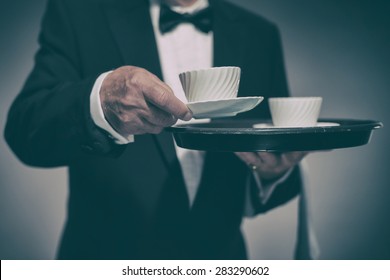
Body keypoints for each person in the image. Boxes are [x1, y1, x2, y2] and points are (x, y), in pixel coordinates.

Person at [4, 0, 308, 259]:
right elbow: (25, 131)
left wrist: (270, 173)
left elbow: (276, 145)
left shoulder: (260, 35)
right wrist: (100, 102)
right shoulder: (79, 12)